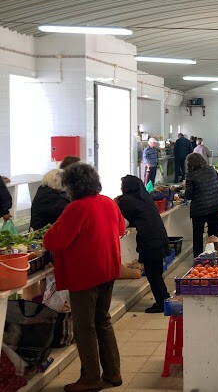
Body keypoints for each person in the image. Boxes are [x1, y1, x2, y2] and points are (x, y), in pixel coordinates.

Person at [43, 163, 125, 391]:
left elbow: (53, 241)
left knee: (84, 326)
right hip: (108, 270)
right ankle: (113, 373)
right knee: (103, 320)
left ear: (71, 186)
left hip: (86, 274)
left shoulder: (76, 208)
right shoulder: (108, 202)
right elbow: (120, 229)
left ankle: (90, 378)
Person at [116, 176, 170, 313]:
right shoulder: (144, 196)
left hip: (150, 242)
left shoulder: (126, 200)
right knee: (156, 273)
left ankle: (161, 303)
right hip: (159, 238)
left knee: (153, 275)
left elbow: (119, 218)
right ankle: (164, 299)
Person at [185, 154, 218, 258]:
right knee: (213, 233)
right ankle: (216, 256)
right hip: (215, 205)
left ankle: (198, 259)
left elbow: (189, 195)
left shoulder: (191, 175)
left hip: (200, 209)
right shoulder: (212, 170)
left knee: (198, 235)